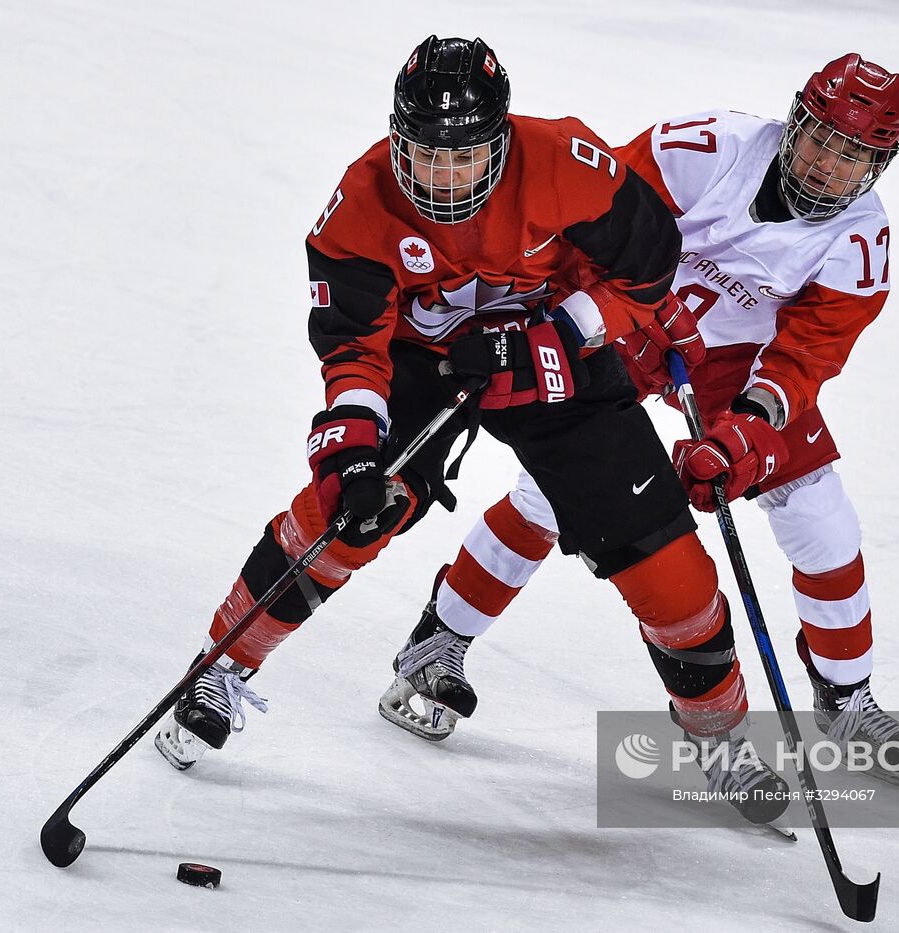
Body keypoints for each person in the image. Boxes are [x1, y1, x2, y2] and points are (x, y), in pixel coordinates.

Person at [153, 35, 789, 825]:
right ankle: (220, 664)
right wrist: (351, 454)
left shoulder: (563, 159)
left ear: (501, 140)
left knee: (670, 571)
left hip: (550, 345)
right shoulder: (357, 208)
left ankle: (719, 733)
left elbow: (650, 267)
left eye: (463, 157)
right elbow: (354, 350)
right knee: (348, 513)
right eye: (423, 156)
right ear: (396, 139)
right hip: (425, 360)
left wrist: (562, 333)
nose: (442, 178)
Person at [381, 53, 899, 792]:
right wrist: (609, 313)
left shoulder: (861, 244)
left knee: (819, 511)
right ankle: (439, 639)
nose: (828, 165)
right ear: (793, 120)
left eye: (853, 154)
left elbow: (804, 357)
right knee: (554, 494)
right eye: (820, 139)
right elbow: (591, 222)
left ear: (880, 164)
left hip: (730, 360)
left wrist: (748, 431)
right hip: (624, 317)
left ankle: (846, 695)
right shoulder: (702, 149)